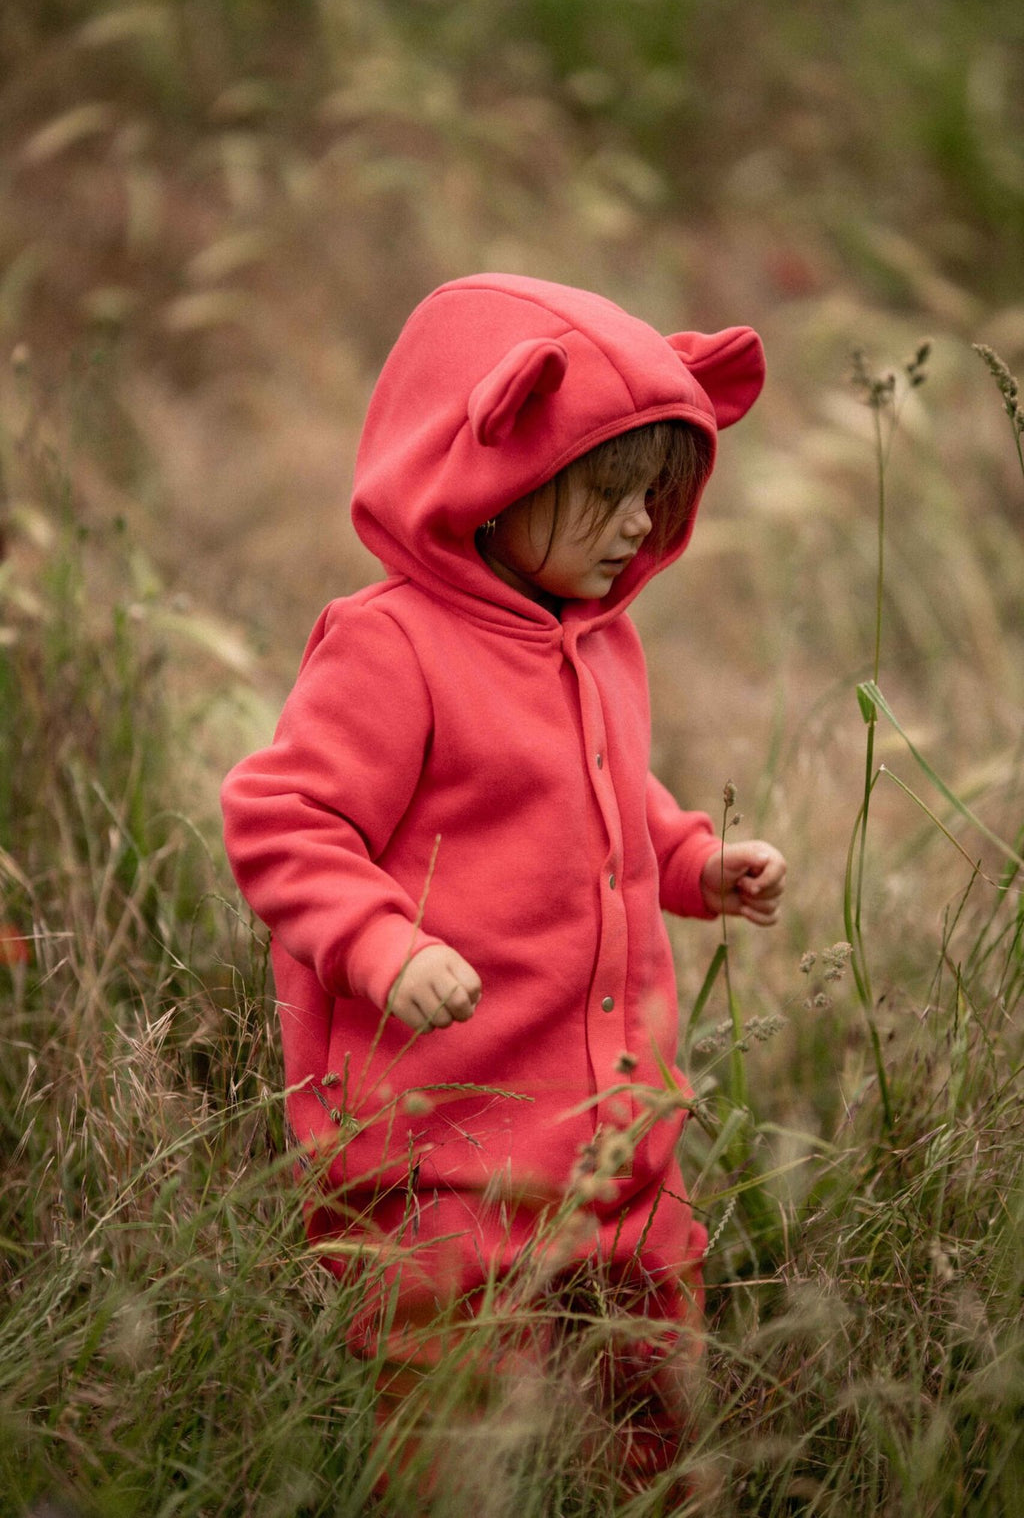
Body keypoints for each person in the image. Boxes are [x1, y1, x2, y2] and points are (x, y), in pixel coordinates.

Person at [221, 273, 785, 1495]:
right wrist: (379, 940)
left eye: (656, 497)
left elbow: (604, 791)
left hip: (621, 1125)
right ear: (493, 478)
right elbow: (283, 815)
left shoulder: (595, 636)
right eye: (604, 495)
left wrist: (690, 857)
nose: (638, 526)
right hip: (449, 1141)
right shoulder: (391, 646)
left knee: (650, 1375)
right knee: (456, 1407)